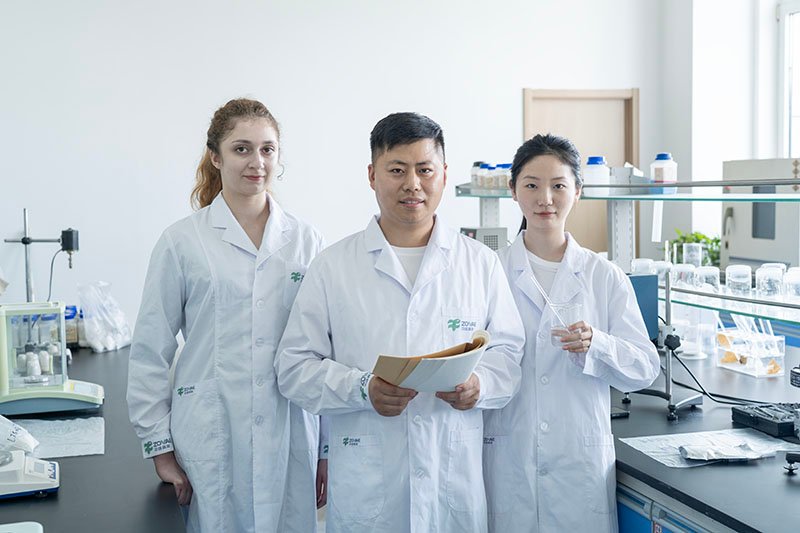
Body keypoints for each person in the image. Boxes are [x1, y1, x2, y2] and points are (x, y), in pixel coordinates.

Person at [275, 112, 525, 532]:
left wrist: (480, 386)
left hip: (452, 484)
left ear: (443, 175)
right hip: (368, 485)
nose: (413, 184)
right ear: (372, 175)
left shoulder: (479, 264)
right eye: (397, 170)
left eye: (425, 170)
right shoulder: (333, 266)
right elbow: (294, 367)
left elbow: (509, 353)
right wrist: (361, 389)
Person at [127, 98, 326, 532]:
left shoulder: (306, 240)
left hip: (290, 427)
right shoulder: (182, 242)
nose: (257, 162)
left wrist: (325, 450)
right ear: (216, 157)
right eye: (241, 149)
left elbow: (325, 348)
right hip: (209, 430)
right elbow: (149, 351)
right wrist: (159, 449)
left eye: (268, 149)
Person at [482, 133, 661, 532]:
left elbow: (646, 367)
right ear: (513, 190)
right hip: (509, 457)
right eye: (531, 185)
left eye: (559, 185)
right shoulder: (488, 272)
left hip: (577, 464)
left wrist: (598, 344)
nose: (545, 198)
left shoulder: (604, 276)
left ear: (578, 191)